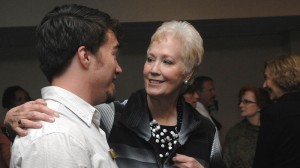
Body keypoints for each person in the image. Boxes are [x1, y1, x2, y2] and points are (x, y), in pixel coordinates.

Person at [3, 21, 225, 168]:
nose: (153, 70)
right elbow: (56, 131)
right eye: (150, 59)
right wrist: (10, 121)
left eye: (166, 61)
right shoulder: (110, 116)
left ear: (189, 73)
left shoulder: (205, 130)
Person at [9, 4, 122, 168]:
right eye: (114, 54)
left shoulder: (75, 126)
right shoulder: (57, 135)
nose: (119, 68)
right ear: (85, 56)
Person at [253, 54, 300, 168]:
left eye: (267, 78)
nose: (264, 85)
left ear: (280, 79)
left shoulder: (273, 114)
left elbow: (263, 159)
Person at [222, 85, 271, 168]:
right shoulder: (235, 133)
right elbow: (226, 162)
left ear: (259, 105)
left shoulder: (271, 130)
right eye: (241, 101)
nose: (241, 105)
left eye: (247, 102)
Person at [0, 85, 31, 168]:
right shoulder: (3, 128)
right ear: (10, 104)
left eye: (26, 98)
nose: (24, 102)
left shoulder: (34, 121)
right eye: (19, 99)